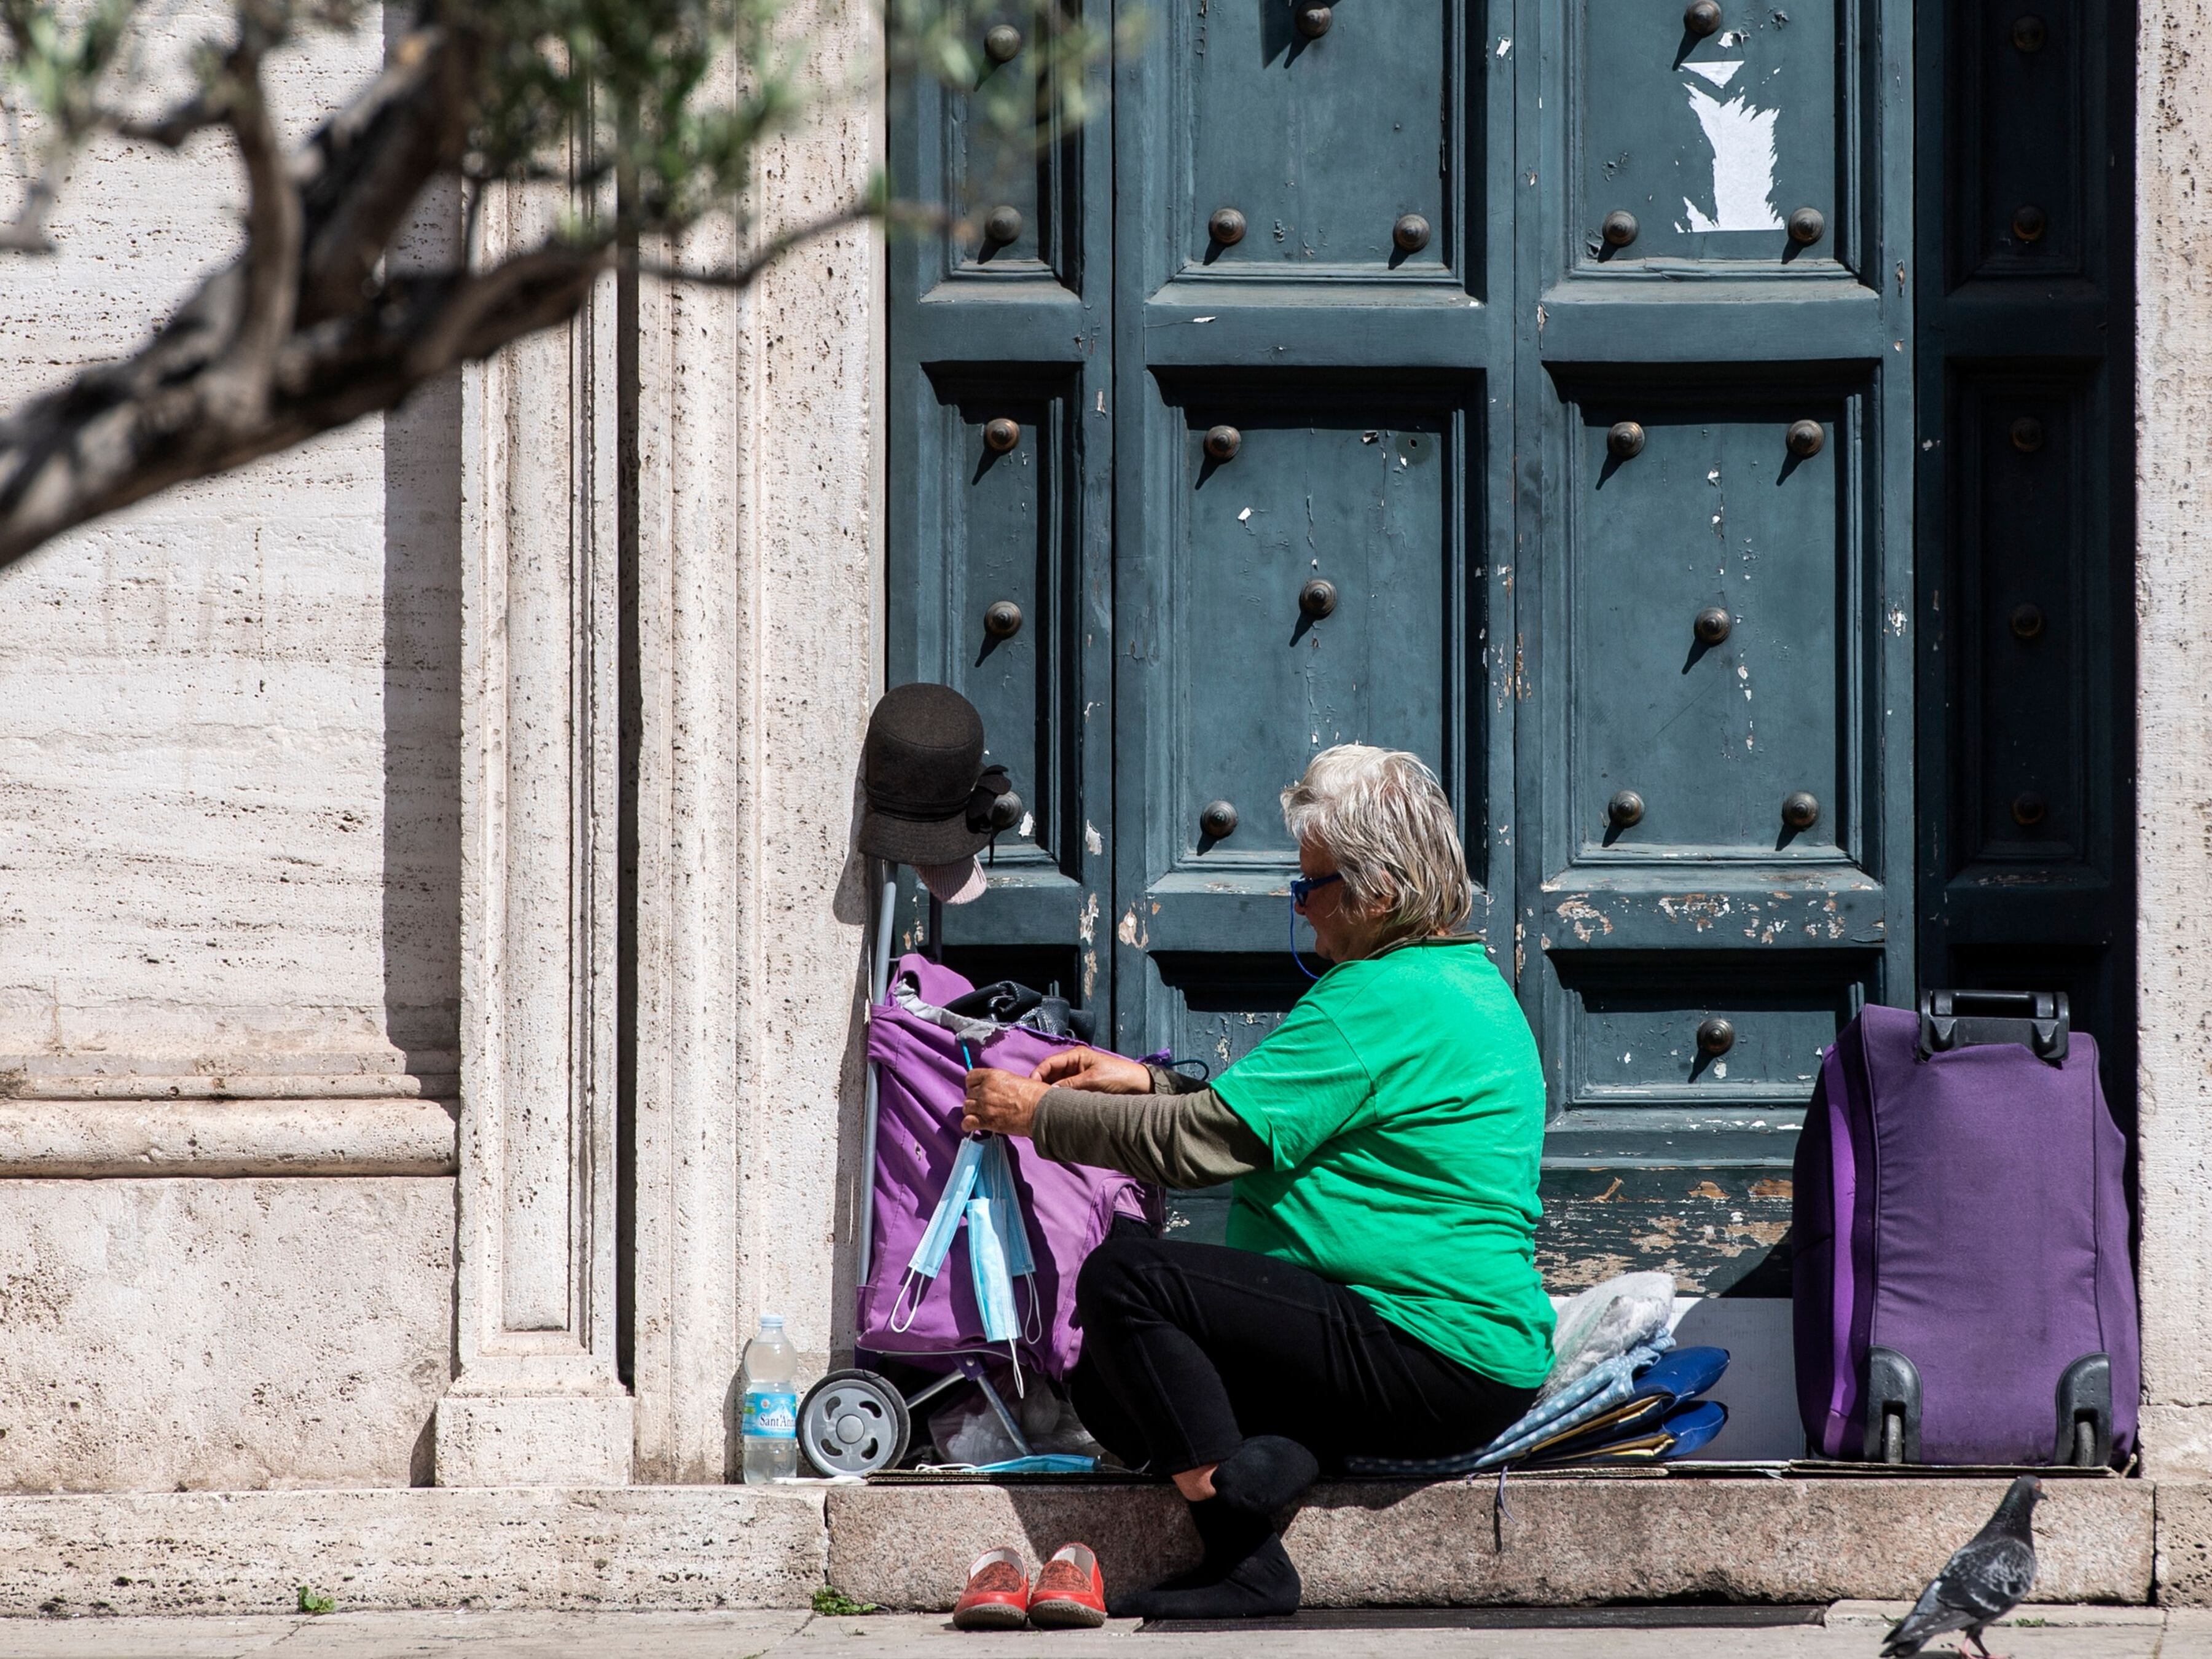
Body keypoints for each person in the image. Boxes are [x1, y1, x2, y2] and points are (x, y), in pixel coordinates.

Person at [960, 745, 1554, 1620]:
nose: (1302, 911)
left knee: (1128, 1277)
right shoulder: (1455, 984)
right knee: (1114, 1389)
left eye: (1310, 888)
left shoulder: (1379, 999)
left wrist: (1034, 1116)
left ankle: (1245, 1553)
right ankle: (1270, 1463)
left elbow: (1206, 1146)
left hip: (1427, 1345)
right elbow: (1276, 1121)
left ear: (1378, 893)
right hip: (1432, 1357)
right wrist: (1149, 1083)